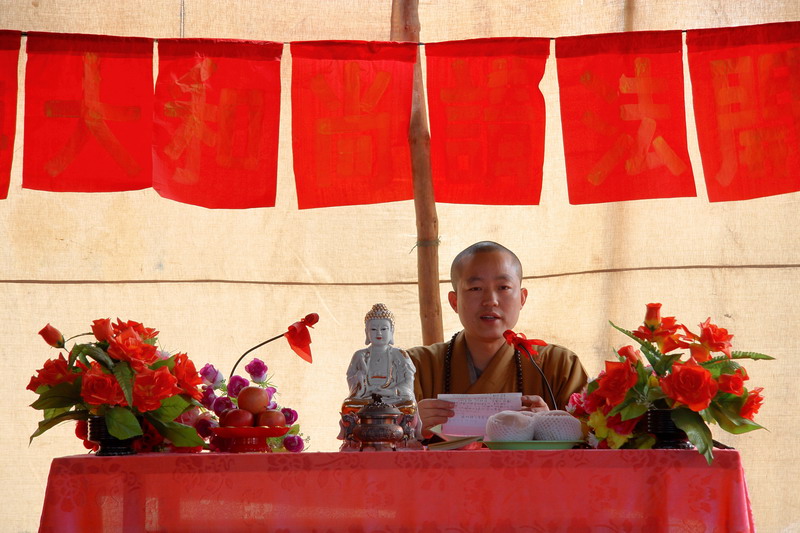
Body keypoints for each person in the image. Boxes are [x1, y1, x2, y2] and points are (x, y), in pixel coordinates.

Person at [407, 241, 588, 438]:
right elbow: (383, 436)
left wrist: (553, 424)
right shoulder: (414, 366)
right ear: (454, 301)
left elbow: (594, 436)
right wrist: (410, 425)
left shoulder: (559, 365)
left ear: (522, 298)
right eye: (475, 288)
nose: (490, 300)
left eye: (503, 287)